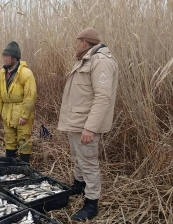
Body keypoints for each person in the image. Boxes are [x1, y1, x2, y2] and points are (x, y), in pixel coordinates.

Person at [57, 27, 118, 221]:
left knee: (89, 162)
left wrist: (90, 127)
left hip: (85, 124)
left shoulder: (101, 62)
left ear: (84, 43)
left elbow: (102, 98)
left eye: (77, 41)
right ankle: (78, 186)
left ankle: (92, 204)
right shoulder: (86, 60)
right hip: (77, 121)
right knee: (79, 157)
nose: (75, 45)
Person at [0, 41, 37, 163]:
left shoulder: (25, 73)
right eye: (4, 56)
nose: (5, 59)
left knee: (24, 140)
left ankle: (24, 166)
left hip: (21, 112)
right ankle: (10, 166)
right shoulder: (1, 74)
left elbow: (30, 96)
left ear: (15, 58)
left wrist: (25, 115)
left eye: (7, 56)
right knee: (9, 139)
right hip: (7, 112)